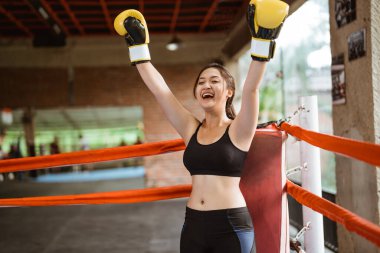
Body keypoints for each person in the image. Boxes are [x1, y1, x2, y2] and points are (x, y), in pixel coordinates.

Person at [114, 0, 288, 252]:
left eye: (214, 81)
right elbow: (161, 92)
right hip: (193, 224)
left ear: (228, 91)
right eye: (201, 82)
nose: (206, 85)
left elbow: (251, 88)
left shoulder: (239, 130)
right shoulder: (190, 128)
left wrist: (263, 41)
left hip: (231, 225)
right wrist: (138, 49)